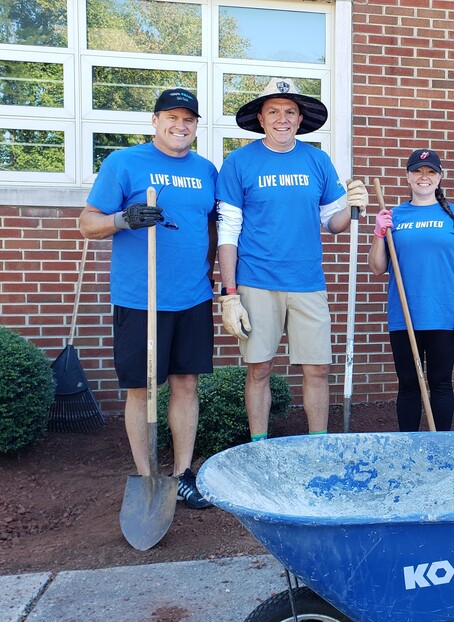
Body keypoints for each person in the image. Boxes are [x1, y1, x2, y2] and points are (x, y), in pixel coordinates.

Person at [79, 88, 217, 509]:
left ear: (196, 125)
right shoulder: (124, 162)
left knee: (186, 384)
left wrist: (211, 273)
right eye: (171, 117)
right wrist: (124, 218)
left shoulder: (206, 170)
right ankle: (145, 475)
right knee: (140, 389)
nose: (180, 125)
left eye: (188, 119)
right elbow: (88, 223)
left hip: (192, 295)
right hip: (140, 298)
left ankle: (182, 473)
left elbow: (212, 228)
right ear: (154, 121)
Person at [216, 78, 368, 440]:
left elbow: (333, 223)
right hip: (256, 281)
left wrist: (353, 206)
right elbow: (227, 232)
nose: (282, 118)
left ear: (300, 120)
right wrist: (229, 293)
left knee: (317, 369)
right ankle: (259, 447)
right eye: (273, 111)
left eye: (289, 112)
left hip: (307, 283)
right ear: (261, 118)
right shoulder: (239, 162)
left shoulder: (317, 160)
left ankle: (318, 445)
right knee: (260, 369)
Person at [368, 149, 454, 431]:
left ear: (440, 177)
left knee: (441, 383)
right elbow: (377, 267)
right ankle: (409, 449)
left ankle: (439, 449)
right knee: (408, 385)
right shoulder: (394, 215)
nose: (424, 177)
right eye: (418, 171)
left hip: (444, 315)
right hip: (404, 316)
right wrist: (379, 234)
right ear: (408, 176)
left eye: (430, 172)